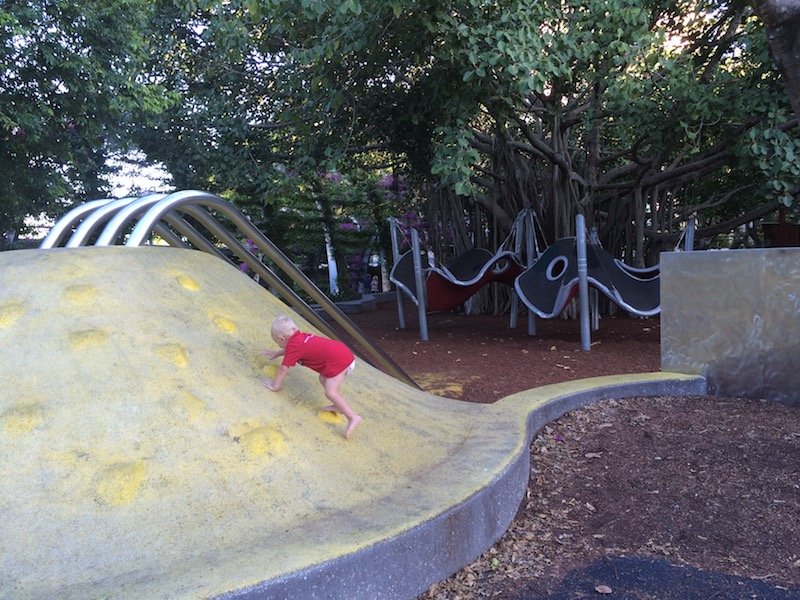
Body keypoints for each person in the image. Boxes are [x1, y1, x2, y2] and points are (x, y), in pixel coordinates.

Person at [261, 315, 362, 439]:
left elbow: (284, 368)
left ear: (282, 339)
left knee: (330, 392)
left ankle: (352, 417)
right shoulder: (300, 337)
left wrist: (275, 386)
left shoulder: (294, 346)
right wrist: (277, 353)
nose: (279, 346)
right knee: (323, 379)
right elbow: (292, 350)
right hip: (342, 353)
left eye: (278, 343)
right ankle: (338, 405)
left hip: (340, 361)